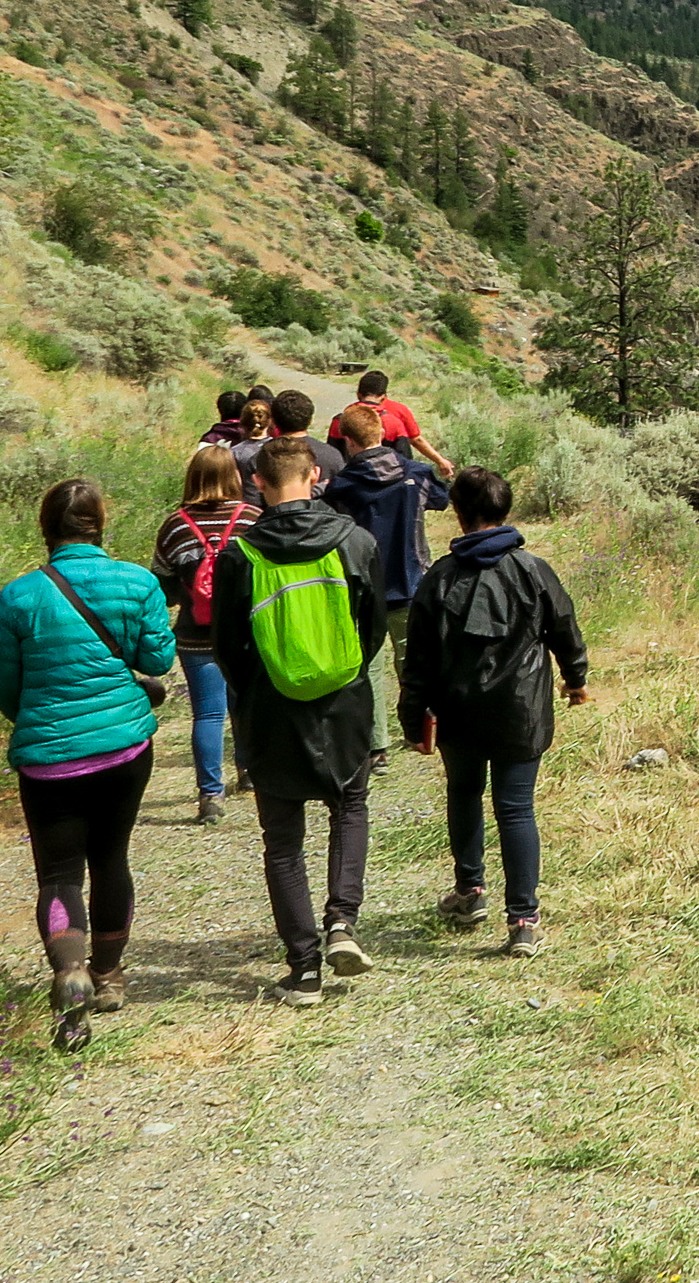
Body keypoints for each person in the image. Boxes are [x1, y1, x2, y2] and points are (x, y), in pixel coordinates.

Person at [0, 479, 176, 1051]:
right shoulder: (136, 582)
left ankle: (68, 971)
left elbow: (3, 685)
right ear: (100, 524)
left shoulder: (18, 597)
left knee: (60, 873)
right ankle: (109, 975)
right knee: (111, 857)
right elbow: (158, 657)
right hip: (123, 749)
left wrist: (43, 719)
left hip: (48, 763)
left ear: (45, 528)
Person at [211, 436, 387, 1007]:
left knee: (282, 841)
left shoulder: (242, 555)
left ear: (256, 483)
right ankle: (342, 924)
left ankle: (304, 969)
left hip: (270, 709)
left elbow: (227, 647)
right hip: (344, 701)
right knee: (350, 807)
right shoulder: (354, 542)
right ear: (316, 475)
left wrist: (256, 691)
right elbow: (375, 629)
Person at [401, 466, 588, 959]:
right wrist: (576, 680)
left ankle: (470, 893)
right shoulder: (533, 568)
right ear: (506, 511)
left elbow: (416, 657)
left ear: (458, 516)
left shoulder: (440, 576)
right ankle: (523, 920)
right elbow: (564, 627)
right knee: (516, 807)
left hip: (458, 710)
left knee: (463, 793)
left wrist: (411, 716)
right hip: (520, 710)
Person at [327, 403, 452, 765]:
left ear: (347, 442)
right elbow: (442, 499)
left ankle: (376, 745)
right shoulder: (416, 474)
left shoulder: (342, 487)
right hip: (412, 582)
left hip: (362, 587)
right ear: (382, 433)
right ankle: (423, 729)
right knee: (415, 661)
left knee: (368, 668)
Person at [152, 444, 255, 824]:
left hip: (196, 636)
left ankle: (211, 794)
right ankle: (249, 773)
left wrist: (189, 592)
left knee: (208, 714)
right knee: (244, 704)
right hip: (245, 632)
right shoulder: (252, 520)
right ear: (234, 476)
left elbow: (162, 585)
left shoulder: (175, 525)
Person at [236, 388, 344, 505]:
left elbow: (253, 505)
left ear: (273, 421)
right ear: (310, 419)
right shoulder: (333, 455)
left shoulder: (261, 457)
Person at [327, 369, 445, 468]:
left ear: (358, 394)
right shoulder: (395, 420)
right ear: (384, 395)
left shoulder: (343, 417)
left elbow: (332, 454)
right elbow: (405, 457)